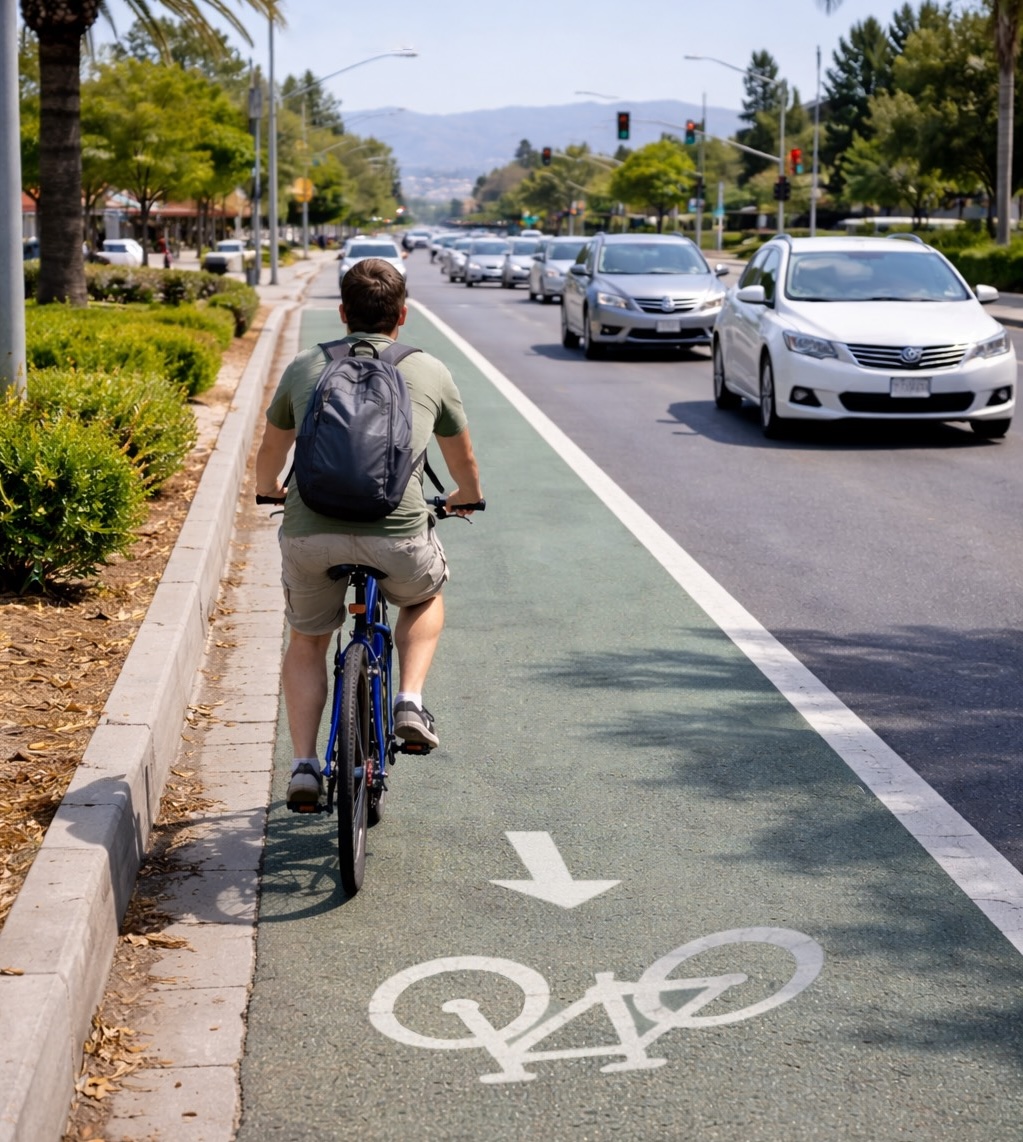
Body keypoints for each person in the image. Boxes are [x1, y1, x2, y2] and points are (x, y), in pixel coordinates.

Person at [254, 257, 484, 808]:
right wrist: (465, 498)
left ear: (341, 313)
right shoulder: (429, 370)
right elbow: (464, 462)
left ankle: (306, 765)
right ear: (402, 315)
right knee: (425, 597)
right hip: (398, 532)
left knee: (308, 638)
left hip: (312, 532)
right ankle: (409, 698)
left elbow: (270, 453)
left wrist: (271, 492)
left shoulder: (306, 366)